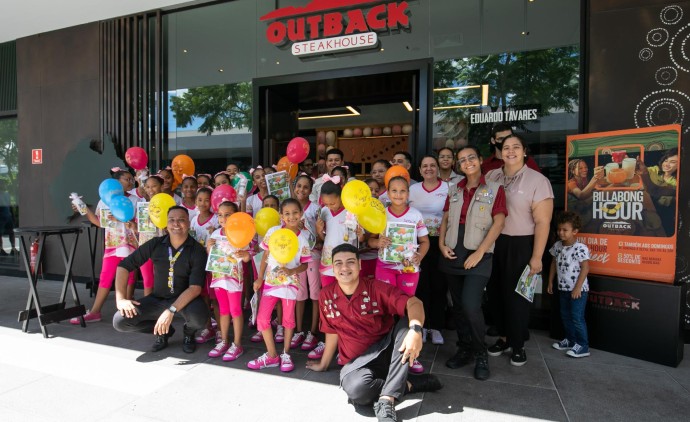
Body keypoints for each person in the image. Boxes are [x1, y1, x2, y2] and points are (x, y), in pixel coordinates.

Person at [306, 244, 443, 422]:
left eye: (350, 262)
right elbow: (331, 332)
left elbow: (414, 302)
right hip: (357, 364)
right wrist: (324, 364)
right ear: (332, 267)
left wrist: (416, 329)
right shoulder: (326, 295)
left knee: (405, 325)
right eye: (338, 263)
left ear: (360, 265)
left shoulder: (375, 288)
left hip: (388, 354)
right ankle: (406, 385)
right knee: (357, 391)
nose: (344, 267)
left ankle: (387, 401)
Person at [438, 146, 507, 380]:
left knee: (470, 305)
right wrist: (440, 244)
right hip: (452, 253)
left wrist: (480, 253)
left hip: (479, 254)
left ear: (480, 160)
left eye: (471, 158)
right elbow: (446, 218)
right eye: (462, 160)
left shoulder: (495, 189)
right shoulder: (453, 189)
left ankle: (480, 353)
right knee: (457, 306)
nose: (467, 162)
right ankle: (464, 347)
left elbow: (498, 223)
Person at [485, 134, 553, 366]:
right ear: (500, 151)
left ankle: (518, 344)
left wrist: (536, 257)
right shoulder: (492, 176)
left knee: (518, 298)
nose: (510, 151)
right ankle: (504, 337)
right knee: (495, 294)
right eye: (506, 147)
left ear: (525, 151)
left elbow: (543, 222)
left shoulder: (538, 181)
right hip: (495, 243)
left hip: (522, 244)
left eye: (516, 147)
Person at [113, 206, 209, 353]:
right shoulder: (156, 243)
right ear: (166, 224)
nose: (176, 224)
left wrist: (170, 310)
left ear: (189, 223)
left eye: (181, 220)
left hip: (185, 300)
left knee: (200, 318)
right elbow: (123, 266)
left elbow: (195, 288)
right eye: (172, 220)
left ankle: (188, 333)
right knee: (120, 321)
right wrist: (120, 300)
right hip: (158, 298)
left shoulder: (197, 250)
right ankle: (163, 330)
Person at [368, 175, 429, 373]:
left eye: (402, 191)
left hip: (408, 269)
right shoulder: (381, 214)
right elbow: (370, 241)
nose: (398, 194)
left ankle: (410, 351)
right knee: (385, 307)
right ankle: (386, 351)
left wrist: (419, 256)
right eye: (394, 190)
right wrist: (378, 243)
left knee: (407, 307)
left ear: (408, 193)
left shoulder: (416, 215)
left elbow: (425, 241)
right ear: (387, 192)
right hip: (385, 266)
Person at [248, 198, 312, 372]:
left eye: (295, 213)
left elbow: (305, 264)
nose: (291, 217)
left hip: (290, 285)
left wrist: (292, 271)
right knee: (262, 319)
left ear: (301, 214)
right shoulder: (273, 232)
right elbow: (265, 257)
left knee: (288, 320)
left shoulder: (303, 239)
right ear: (281, 215)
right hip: (270, 282)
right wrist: (259, 278)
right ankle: (271, 355)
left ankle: (285, 354)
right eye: (287, 213)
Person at [70, 167, 139, 324]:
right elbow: (100, 222)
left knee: (129, 277)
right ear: (116, 183)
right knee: (105, 277)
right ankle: (95, 312)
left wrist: (123, 220)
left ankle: (128, 312)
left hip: (131, 244)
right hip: (112, 244)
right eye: (126, 179)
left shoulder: (136, 200)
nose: (130, 182)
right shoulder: (104, 200)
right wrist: (84, 209)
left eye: (131, 179)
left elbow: (140, 224)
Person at [409, 156, 449, 346]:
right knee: (421, 285)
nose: (429, 169)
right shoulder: (413, 190)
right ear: (420, 169)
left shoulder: (448, 188)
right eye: (425, 166)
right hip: (417, 243)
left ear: (438, 168)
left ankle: (437, 328)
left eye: (432, 165)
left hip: (440, 242)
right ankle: (422, 327)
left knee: (439, 285)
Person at [206, 201, 250, 361]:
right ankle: (224, 340)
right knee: (223, 310)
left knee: (236, 311)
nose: (223, 218)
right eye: (220, 215)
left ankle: (237, 344)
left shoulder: (240, 233)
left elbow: (247, 256)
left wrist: (245, 255)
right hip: (218, 278)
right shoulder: (215, 234)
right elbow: (211, 254)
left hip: (233, 279)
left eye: (228, 214)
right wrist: (209, 247)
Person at [548, 211, 591, 358]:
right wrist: (550, 281)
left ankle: (583, 345)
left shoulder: (580, 248)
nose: (561, 233)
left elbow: (585, 268)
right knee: (565, 316)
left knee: (577, 317)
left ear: (575, 231)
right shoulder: (557, 246)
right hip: (563, 288)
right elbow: (553, 263)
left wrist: (578, 287)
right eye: (559, 229)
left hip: (578, 290)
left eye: (565, 230)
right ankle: (571, 340)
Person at [291, 174, 322, 352]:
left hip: (314, 255)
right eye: (299, 186)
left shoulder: (315, 209)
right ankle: (298, 330)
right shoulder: (290, 207)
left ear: (310, 191)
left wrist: (314, 237)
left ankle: (313, 331)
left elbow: (320, 234)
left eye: (305, 187)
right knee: (299, 292)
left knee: (315, 293)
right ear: (294, 188)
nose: (301, 190)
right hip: (296, 257)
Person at [316, 181, 364, 287]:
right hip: (328, 259)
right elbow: (324, 238)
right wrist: (319, 231)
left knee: (347, 289)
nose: (330, 207)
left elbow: (360, 240)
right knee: (328, 291)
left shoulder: (352, 211)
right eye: (326, 204)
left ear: (341, 196)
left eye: (332, 203)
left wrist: (360, 234)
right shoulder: (324, 211)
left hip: (347, 261)